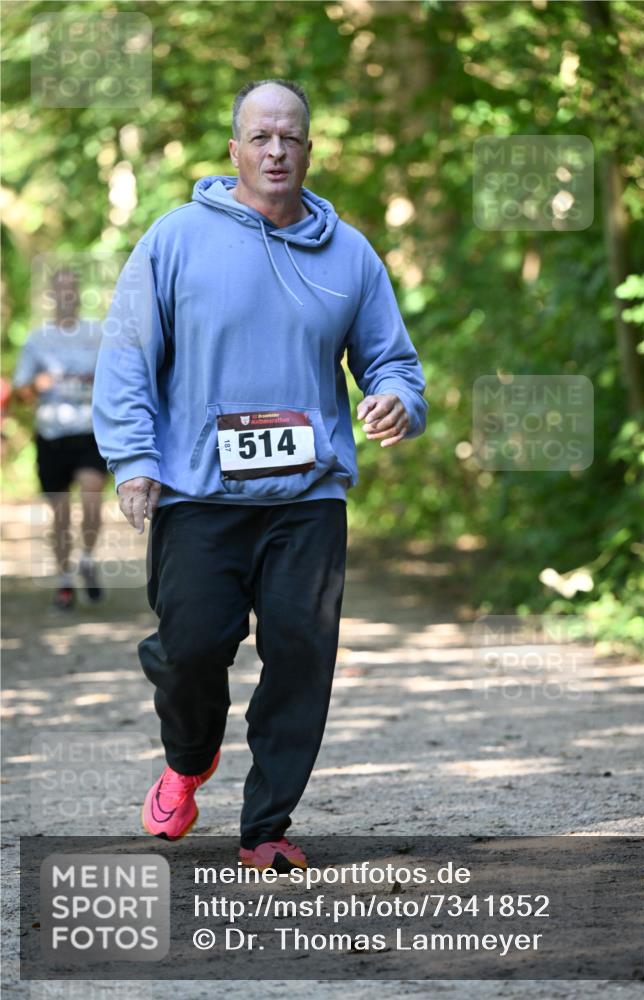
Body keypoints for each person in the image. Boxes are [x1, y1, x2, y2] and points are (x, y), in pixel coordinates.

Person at [92, 79, 427, 871]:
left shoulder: (349, 254)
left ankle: (265, 827)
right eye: (262, 137)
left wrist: (394, 403)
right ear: (235, 148)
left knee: (301, 657)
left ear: (309, 150)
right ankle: (188, 756)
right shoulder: (174, 239)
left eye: (292, 138)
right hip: (198, 496)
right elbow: (127, 357)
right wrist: (135, 460)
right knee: (191, 651)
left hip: (307, 499)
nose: (277, 151)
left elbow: (393, 364)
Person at [13, 267, 107, 610]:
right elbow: (21, 388)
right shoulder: (37, 340)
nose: (67, 296)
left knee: (92, 498)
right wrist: (39, 385)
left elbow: (119, 376)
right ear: (51, 297)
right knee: (61, 515)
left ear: (79, 295)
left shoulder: (97, 334)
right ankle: (65, 579)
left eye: (72, 289)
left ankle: (87, 558)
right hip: (52, 434)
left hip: (89, 431)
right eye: (60, 290)